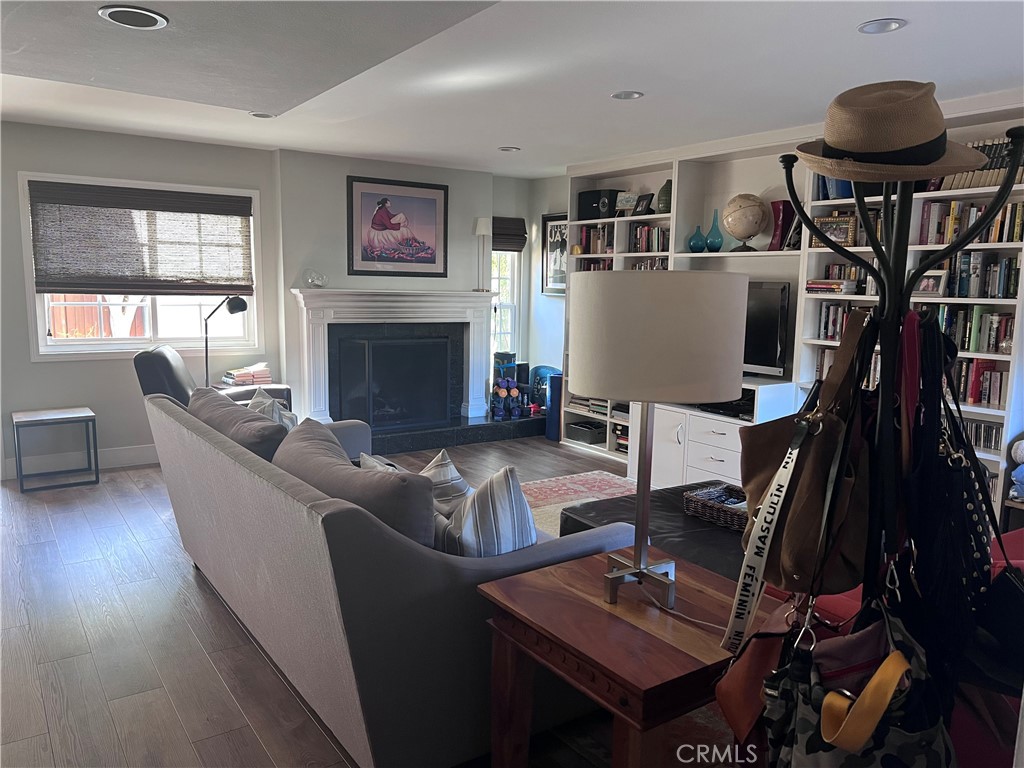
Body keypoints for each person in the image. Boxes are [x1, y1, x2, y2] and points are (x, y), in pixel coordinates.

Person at [365, 197, 432, 260]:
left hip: (383, 228)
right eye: (389, 202)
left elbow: (391, 216)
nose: (390, 203)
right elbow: (389, 226)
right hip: (378, 233)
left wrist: (399, 217)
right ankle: (409, 243)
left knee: (401, 216)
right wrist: (400, 225)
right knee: (405, 230)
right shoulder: (382, 212)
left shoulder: (384, 210)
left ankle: (411, 242)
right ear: (385, 203)